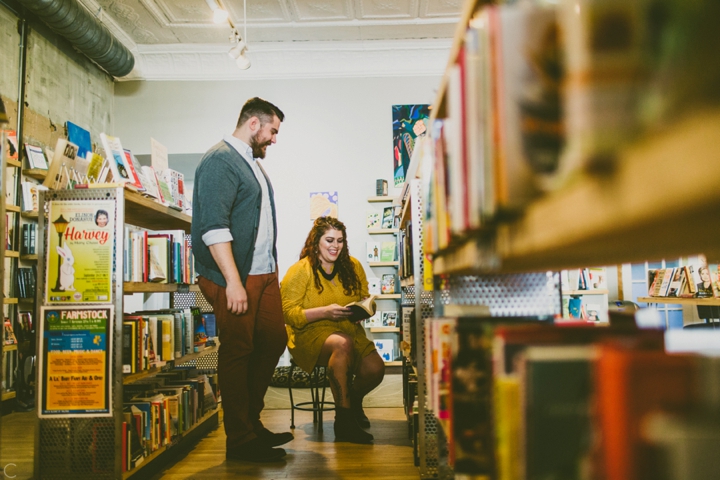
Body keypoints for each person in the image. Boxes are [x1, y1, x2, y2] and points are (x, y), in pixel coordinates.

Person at [191, 97, 291, 463]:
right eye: (273, 131)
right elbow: (213, 227)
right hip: (238, 275)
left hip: (264, 273)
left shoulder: (250, 162)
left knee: (273, 339)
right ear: (253, 124)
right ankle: (241, 439)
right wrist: (233, 281)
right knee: (237, 350)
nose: (274, 140)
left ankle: (251, 421)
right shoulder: (220, 160)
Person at [280, 216, 385, 444]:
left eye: (340, 240)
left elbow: (364, 296)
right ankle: (345, 422)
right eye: (329, 240)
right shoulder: (300, 270)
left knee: (376, 368)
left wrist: (365, 308)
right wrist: (324, 312)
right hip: (310, 333)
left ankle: (352, 402)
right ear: (316, 241)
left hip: (348, 329)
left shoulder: (353, 266)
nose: (335, 246)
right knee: (341, 343)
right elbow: (288, 313)